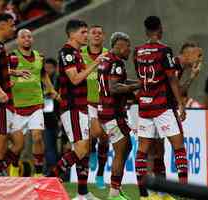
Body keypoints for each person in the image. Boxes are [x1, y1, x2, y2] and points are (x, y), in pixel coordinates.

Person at [133, 16, 188, 200]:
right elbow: (172, 78)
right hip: (162, 106)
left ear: (146, 30)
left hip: (144, 106)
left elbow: (141, 79)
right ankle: (183, 193)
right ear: (160, 29)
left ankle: (144, 195)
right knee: (178, 146)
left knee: (143, 150)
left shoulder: (138, 51)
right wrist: (181, 103)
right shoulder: (164, 51)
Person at [52, 19, 104, 200]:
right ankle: (50, 180)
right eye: (83, 32)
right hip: (72, 107)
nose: (86, 35)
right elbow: (74, 79)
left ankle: (83, 193)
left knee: (85, 148)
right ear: (72, 34)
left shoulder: (77, 53)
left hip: (81, 107)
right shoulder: (67, 52)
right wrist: (95, 63)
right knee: (81, 149)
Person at [146, 41, 203, 200]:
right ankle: (178, 191)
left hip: (156, 108)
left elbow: (178, 90)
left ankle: (159, 192)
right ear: (186, 54)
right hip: (160, 109)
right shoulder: (174, 65)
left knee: (159, 150)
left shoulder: (179, 66)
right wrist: (180, 105)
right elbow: (177, 91)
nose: (198, 59)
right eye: (196, 55)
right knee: (175, 148)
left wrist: (192, 76)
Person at [6, 29, 59, 177]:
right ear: (18, 40)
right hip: (17, 108)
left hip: (36, 105)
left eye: (29, 36)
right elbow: (2, 72)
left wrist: (51, 89)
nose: (27, 39)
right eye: (23, 37)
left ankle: (38, 173)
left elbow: (43, 75)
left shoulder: (39, 57)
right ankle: (14, 168)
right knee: (18, 146)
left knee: (37, 137)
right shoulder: (12, 58)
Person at [0, 13, 30, 176]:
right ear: (1, 26)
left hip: (6, 105)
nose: (14, 28)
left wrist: (14, 72)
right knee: (1, 144)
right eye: (12, 25)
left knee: (19, 142)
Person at [98, 32, 140, 200]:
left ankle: (116, 189)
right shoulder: (116, 62)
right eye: (128, 46)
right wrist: (137, 86)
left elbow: (119, 81)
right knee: (122, 150)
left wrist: (138, 84)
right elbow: (115, 88)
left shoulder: (106, 59)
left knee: (125, 147)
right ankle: (114, 193)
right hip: (113, 113)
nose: (129, 50)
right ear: (120, 45)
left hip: (106, 111)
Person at [81, 25, 109, 189]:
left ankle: (100, 175)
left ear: (103, 36)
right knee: (96, 132)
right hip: (88, 102)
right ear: (88, 36)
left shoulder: (108, 54)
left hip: (105, 103)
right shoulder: (80, 54)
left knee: (105, 139)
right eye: (94, 33)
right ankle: (91, 151)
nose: (97, 35)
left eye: (100, 33)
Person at [42, 58, 60, 176]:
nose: (48, 70)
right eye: (46, 68)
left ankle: (59, 171)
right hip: (45, 118)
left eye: (50, 68)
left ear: (55, 68)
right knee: (48, 146)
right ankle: (51, 170)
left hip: (59, 118)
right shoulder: (40, 81)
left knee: (59, 147)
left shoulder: (59, 80)